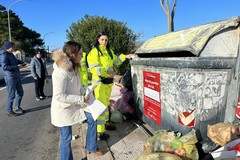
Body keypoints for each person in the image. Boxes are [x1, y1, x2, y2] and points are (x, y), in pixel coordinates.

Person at [51, 41, 102, 160]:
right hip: (63, 110)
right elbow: (59, 96)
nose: (82, 55)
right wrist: (81, 98)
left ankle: (91, 147)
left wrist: (86, 90)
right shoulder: (60, 71)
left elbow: (77, 87)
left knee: (92, 118)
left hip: (76, 104)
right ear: (72, 54)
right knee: (66, 138)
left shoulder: (74, 67)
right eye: (80, 53)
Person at [87, 32, 135, 140]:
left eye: (106, 40)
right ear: (98, 40)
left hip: (108, 83)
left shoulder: (109, 51)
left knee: (105, 105)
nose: (104, 42)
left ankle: (104, 126)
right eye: (102, 39)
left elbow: (116, 61)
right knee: (100, 108)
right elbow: (94, 68)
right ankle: (100, 132)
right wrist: (107, 71)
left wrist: (126, 56)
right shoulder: (94, 52)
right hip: (99, 84)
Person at [0, 41, 26, 116]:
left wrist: (23, 63)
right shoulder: (3, 55)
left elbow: (16, 61)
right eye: (13, 47)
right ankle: (9, 111)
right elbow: (5, 67)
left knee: (20, 92)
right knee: (11, 95)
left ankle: (17, 107)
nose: (14, 48)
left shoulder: (11, 54)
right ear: (8, 48)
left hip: (16, 76)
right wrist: (17, 67)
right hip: (10, 77)